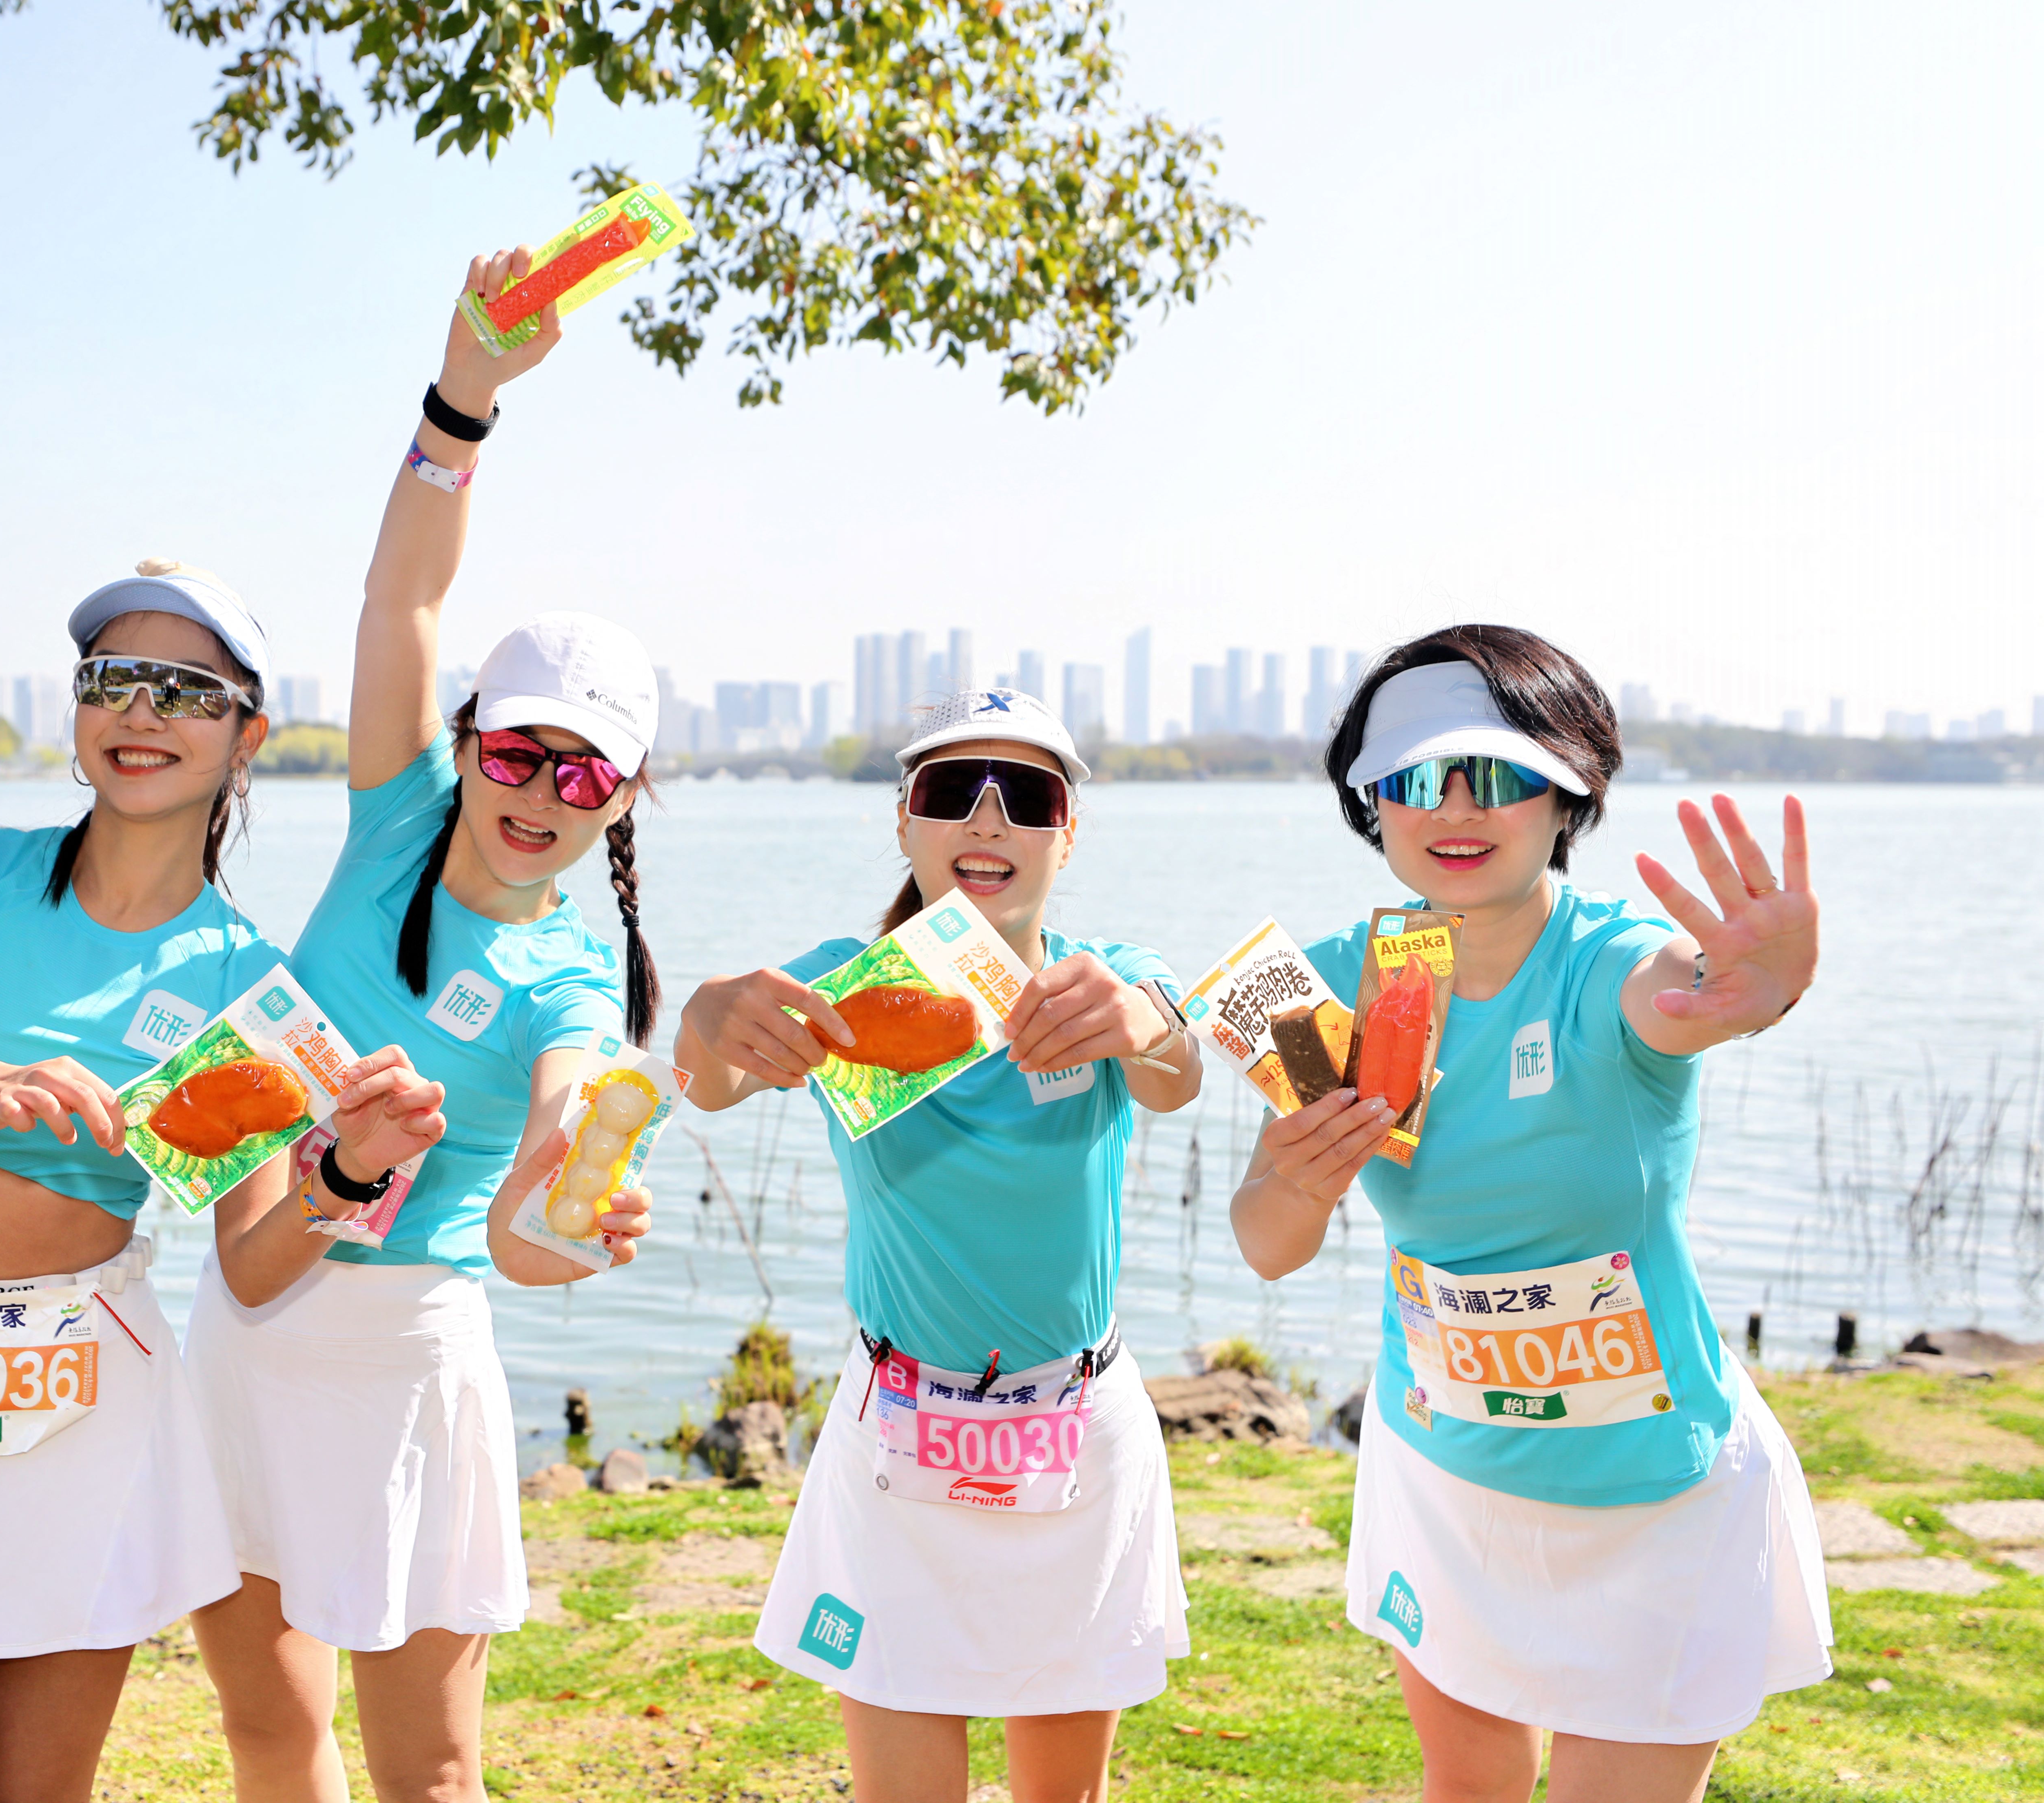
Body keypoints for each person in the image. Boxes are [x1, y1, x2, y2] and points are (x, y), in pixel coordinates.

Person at [0, 562, 441, 1802]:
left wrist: (345, 1171)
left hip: (81, 1409)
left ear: (247, 738)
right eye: (113, 680)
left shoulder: (244, 984)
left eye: (189, 691)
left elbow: (252, 1263)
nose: (143, 712)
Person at [182, 253, 660, 1803]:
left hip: (406, 1358)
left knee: (434, 1772)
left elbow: (540, 1196)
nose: (541, 796)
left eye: (586, 775)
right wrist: (465, 396)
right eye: (519, 755)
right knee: (269, 1734)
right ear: (467, 745)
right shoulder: (393, 819)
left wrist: (579, 1206)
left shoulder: (574, 979)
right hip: (254, 1313)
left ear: (621, 803)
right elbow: (403, 597)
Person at [1230, 625, 1831, 1803]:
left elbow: (1680, 995)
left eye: (1497, 774)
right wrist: (1299, 1182)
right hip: (1444, 1471)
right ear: (1370, 802)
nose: (1456, 808)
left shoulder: (1608, 959)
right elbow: (1266, 1244)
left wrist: (1756, 993)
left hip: (1649, 1491)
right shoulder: (1318, 987)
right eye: (1415, 779)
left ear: (1568, 793)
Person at [674, 688, 1205, 1803]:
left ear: (1068, 834)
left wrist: (1145, 1025)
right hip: (899, 1438)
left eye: (1029, 798)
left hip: (1074, 1435)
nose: (988, 819)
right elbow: (710, 1080)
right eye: (953, 790)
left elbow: (1177, 1067)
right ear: (905, 823)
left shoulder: (1103, 978)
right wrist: (708, 1011)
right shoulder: (843, 988)